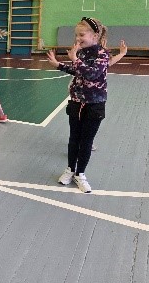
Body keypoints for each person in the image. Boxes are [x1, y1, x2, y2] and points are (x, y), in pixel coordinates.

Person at [47, 17, 110, 193]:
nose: (78, 39)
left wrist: (74, 58)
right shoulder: (81, 53)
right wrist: (59, 65)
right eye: (76, 35)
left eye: (81, 35)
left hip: (94, 104)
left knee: (86, 141)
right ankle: (70, 169)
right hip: (76, 102)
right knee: (74, 139)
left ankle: (80, 173)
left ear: (95, 36)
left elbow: (91, 74)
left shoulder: (103, 54)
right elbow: (78, 71)